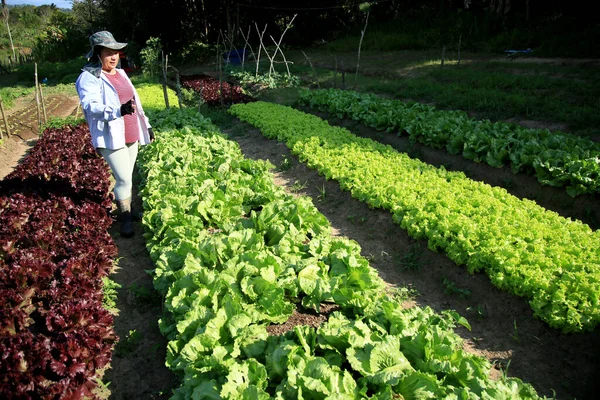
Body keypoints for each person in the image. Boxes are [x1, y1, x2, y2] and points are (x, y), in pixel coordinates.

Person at [75, 31, 154, 238]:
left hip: (131, 131)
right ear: (97, 54)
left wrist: (146, 124)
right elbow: (90, 106)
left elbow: (135, 101)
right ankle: (125, 219)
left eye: (116, 52)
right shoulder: (88, 77)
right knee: (123, 179)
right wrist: (116, 111)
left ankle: (127, 208)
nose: (113, 57)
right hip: (111, 135)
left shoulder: (121, 73)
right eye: (108, 52)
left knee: (128, 176)